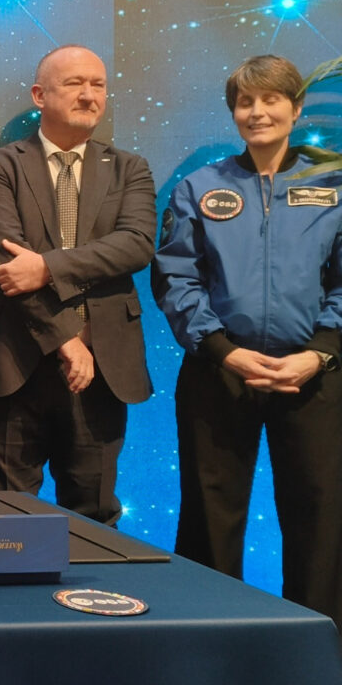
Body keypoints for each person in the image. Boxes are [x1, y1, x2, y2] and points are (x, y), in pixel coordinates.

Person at [153, 54, 342, 628]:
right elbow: (176, 278)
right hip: (220, 374)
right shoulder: (199, 187)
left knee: (320, 518)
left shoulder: (332, 186)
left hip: (315, 377)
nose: (257, 112)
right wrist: (223, 351)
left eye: (270, 99)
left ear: (296, 108)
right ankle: (209, 638)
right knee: (211, 518)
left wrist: (319, 353)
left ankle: (317, 643)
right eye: (244, 101)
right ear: (234, 112)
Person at [0, 44, 155, 526]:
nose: (89, 95)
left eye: (99, 85)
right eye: (74, 84)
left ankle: (89, 602)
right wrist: (67, 340)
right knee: (4, 515)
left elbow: (135, 245)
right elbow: (8, 268)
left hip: (102, 369)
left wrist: (48, 266)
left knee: (94, 516)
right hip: (15, 362)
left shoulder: (130, 168)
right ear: (39, 95)